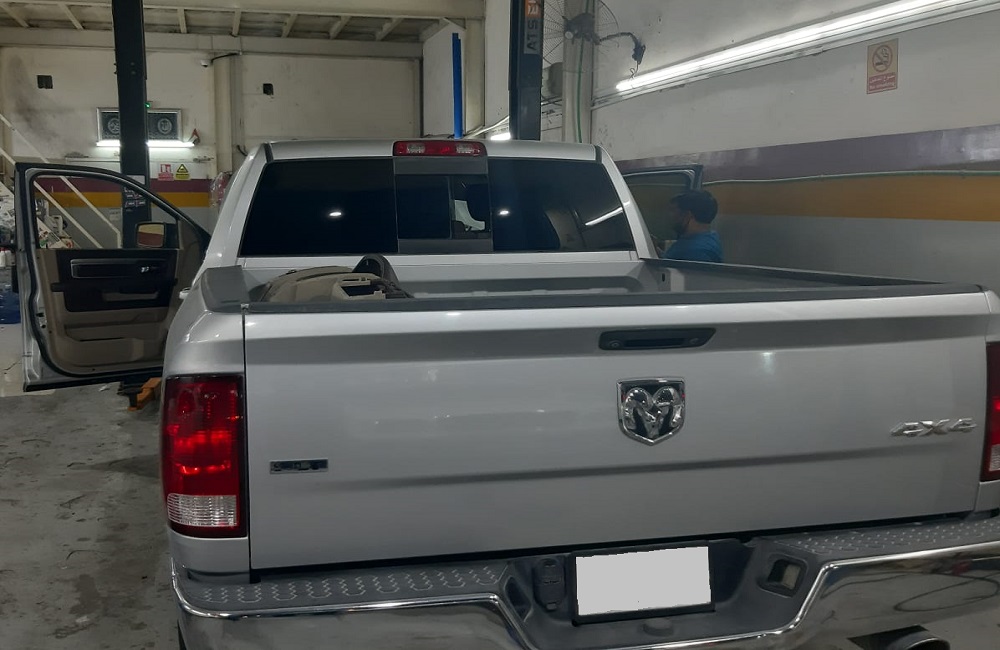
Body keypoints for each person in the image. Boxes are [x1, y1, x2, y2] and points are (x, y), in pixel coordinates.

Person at [661, 190, 723, 263]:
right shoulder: (709, 236)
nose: (670, 215)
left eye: (673, 210)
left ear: (688, 215)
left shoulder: (696, 253)